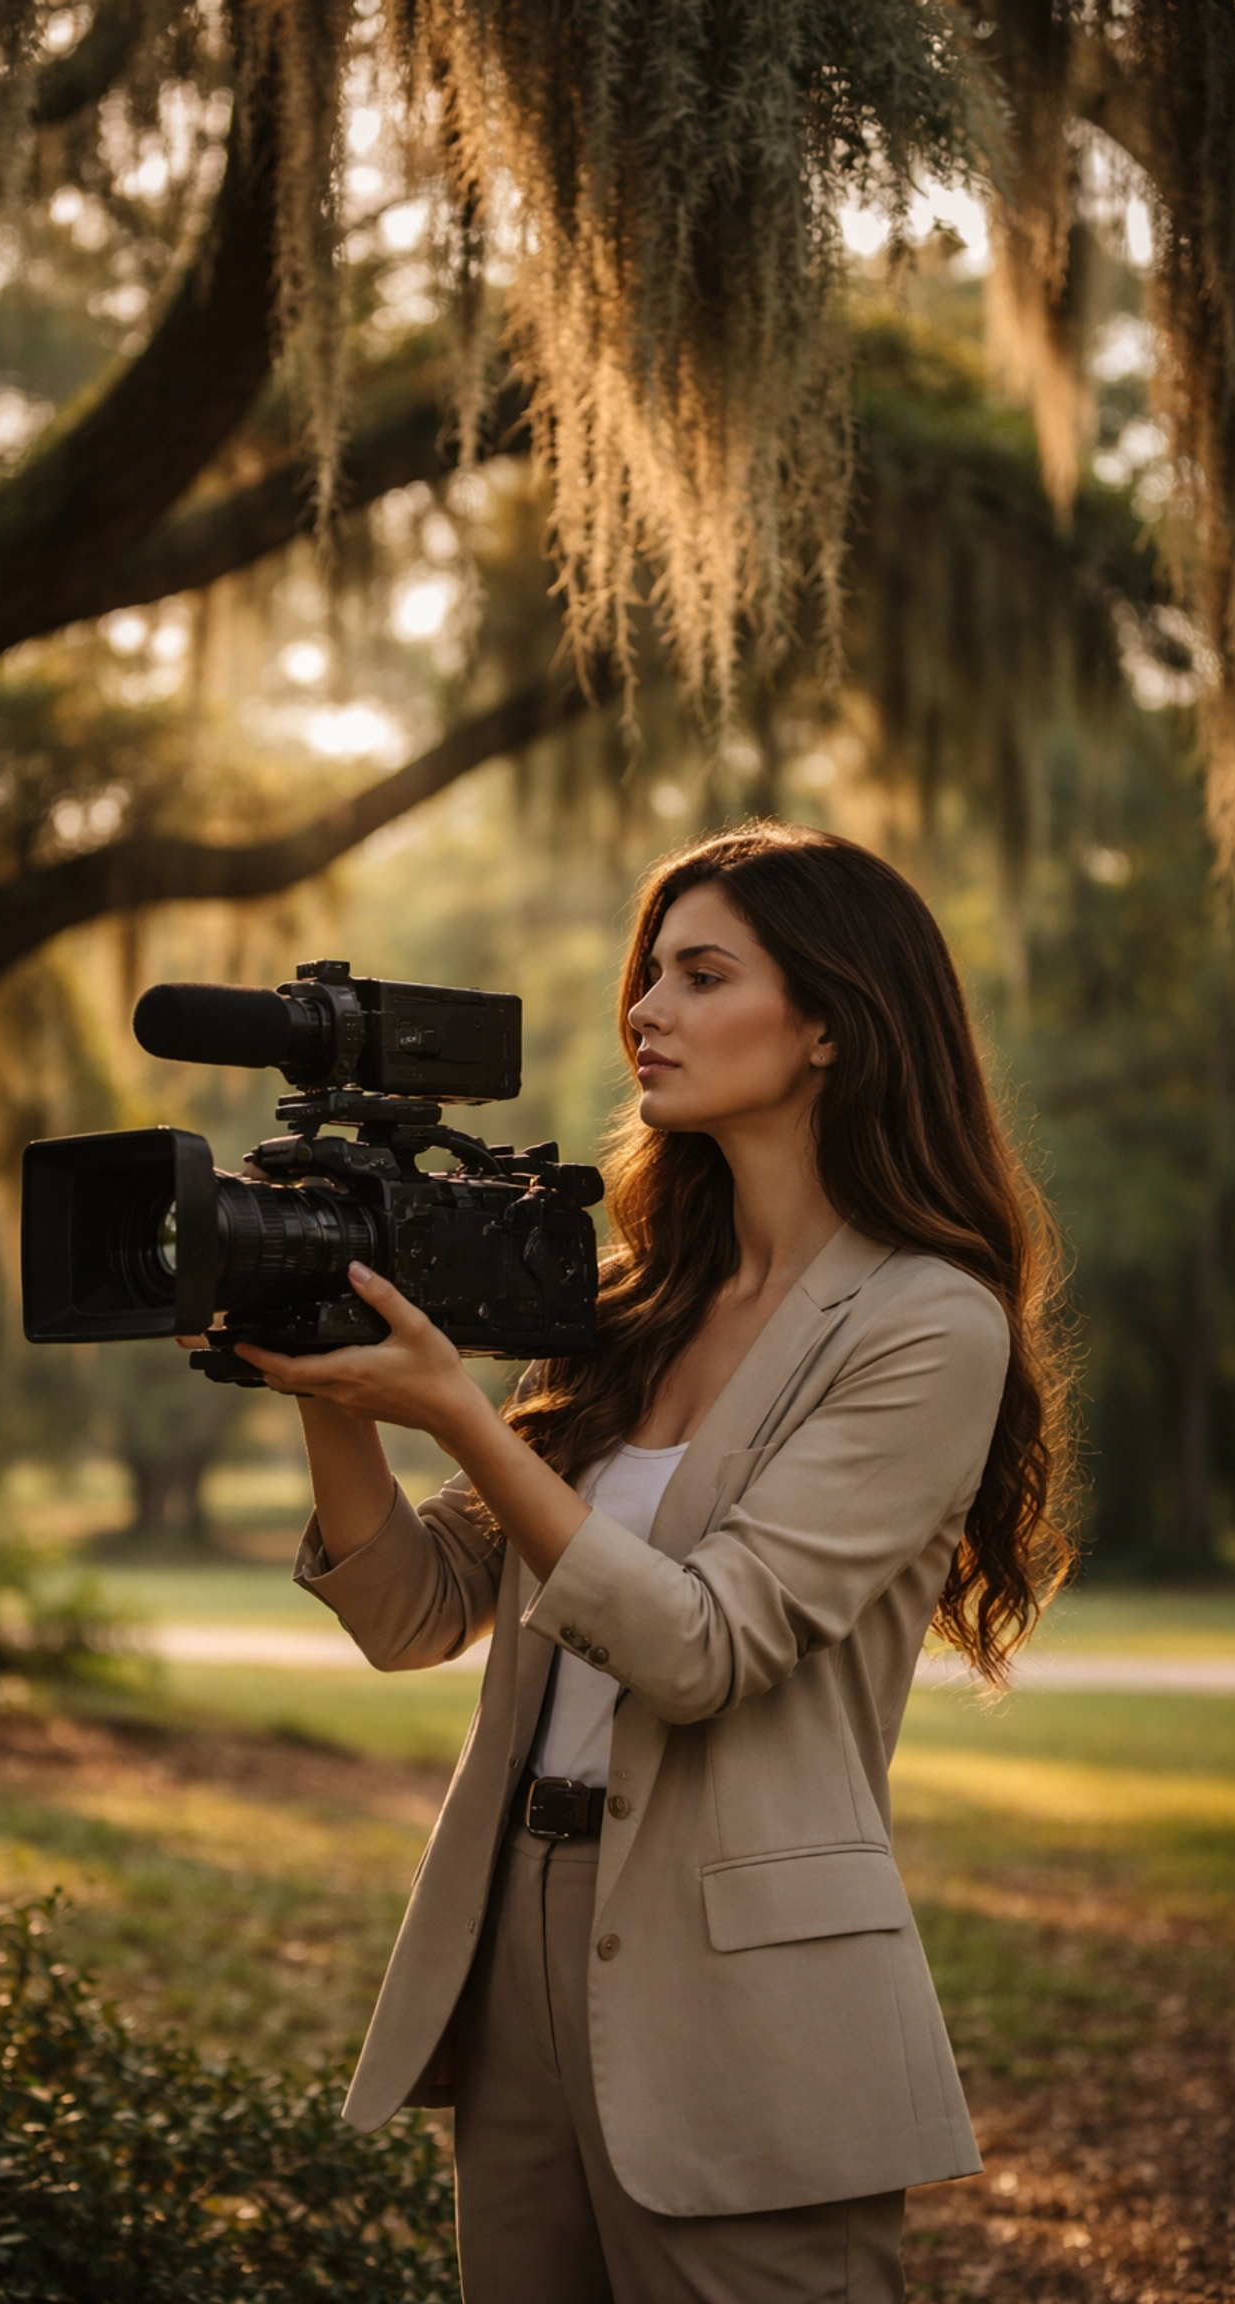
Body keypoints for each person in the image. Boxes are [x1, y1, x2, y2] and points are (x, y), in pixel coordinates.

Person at [228, 822, 1074, 2304]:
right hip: (520, 1934)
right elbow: (412, 1615)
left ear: (826, 1022)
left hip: (746, 1988)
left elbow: (701, 1648)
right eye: (648, 975)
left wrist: (450, 1412)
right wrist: (329, 1385)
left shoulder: (926, 1324)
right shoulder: (628, 1302)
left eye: (701, 974)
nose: (646, 1011)